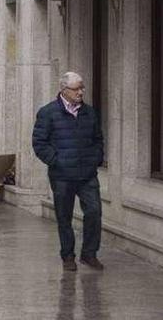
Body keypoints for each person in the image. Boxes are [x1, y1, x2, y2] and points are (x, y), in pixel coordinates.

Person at [32, 72, 105, 272]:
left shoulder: (89, 112)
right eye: (76, 89)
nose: (81, 92)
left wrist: (96, 159)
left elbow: (98, 139)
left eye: (82, 88)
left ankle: (89, 253)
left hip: (87, 174)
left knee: (94, 212)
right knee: (64, 217)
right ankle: (68, 255)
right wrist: (56, 161)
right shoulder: (48, 113)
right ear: (64, 90)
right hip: (62, 175)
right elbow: (39, 143)